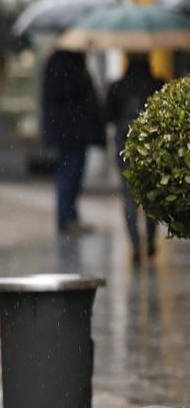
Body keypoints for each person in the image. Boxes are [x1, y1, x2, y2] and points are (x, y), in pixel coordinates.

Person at [105, 54, 165, 263]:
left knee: (129, 193)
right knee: (151, 193)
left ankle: (135, 245)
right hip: (152, 143)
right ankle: (150, 241)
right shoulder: (157, 84)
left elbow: (108, 115)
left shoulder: (117, 86)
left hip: (124, 141)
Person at [42, 49, 105, 235]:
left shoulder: (70, 62)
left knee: (73, 174)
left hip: (74, 131)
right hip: (70, 132)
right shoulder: (62, 64)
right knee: (69, 173)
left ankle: (70, 217)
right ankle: (67, 219)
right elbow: (63, 92)